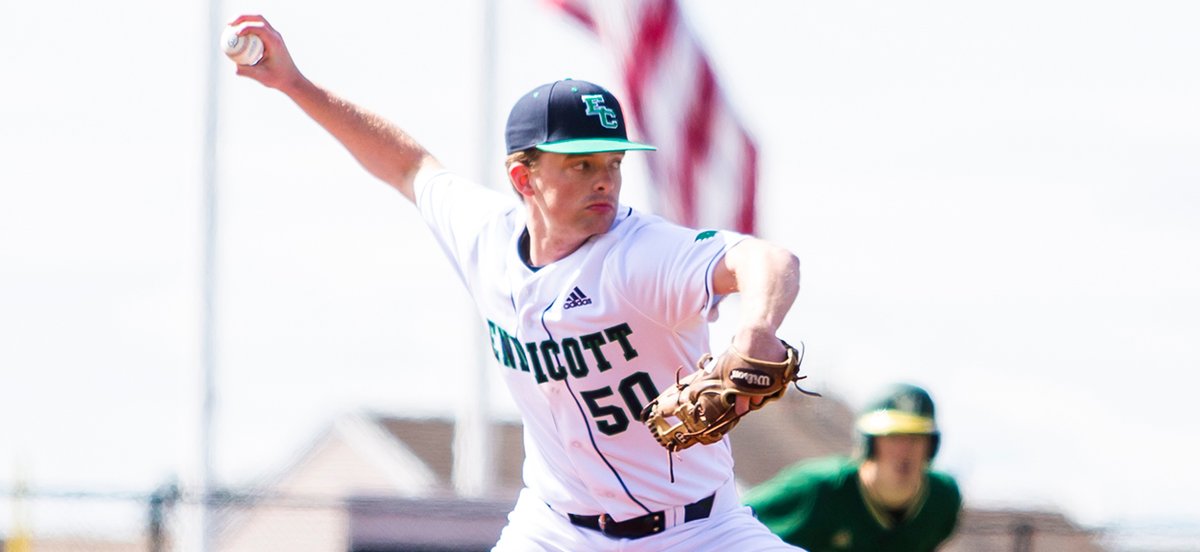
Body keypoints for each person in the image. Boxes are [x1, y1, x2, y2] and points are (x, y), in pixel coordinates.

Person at [227, 15, 805, 552]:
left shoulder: (641, 255)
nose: (604, 180)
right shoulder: (486, 238)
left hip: (696, 531)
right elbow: (407, 165)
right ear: (522, 177)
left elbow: (768, 260)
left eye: (613, 163)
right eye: (581, 164)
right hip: (556, 530)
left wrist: (755, 327)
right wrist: (295, 84)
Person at [743, 383, 963, 552]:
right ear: (869, 443)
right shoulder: (818, 488)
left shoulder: (942, 500)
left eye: (916, 438)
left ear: (931, 446)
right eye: (893, 437)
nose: (905, 450)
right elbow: (730, 520)